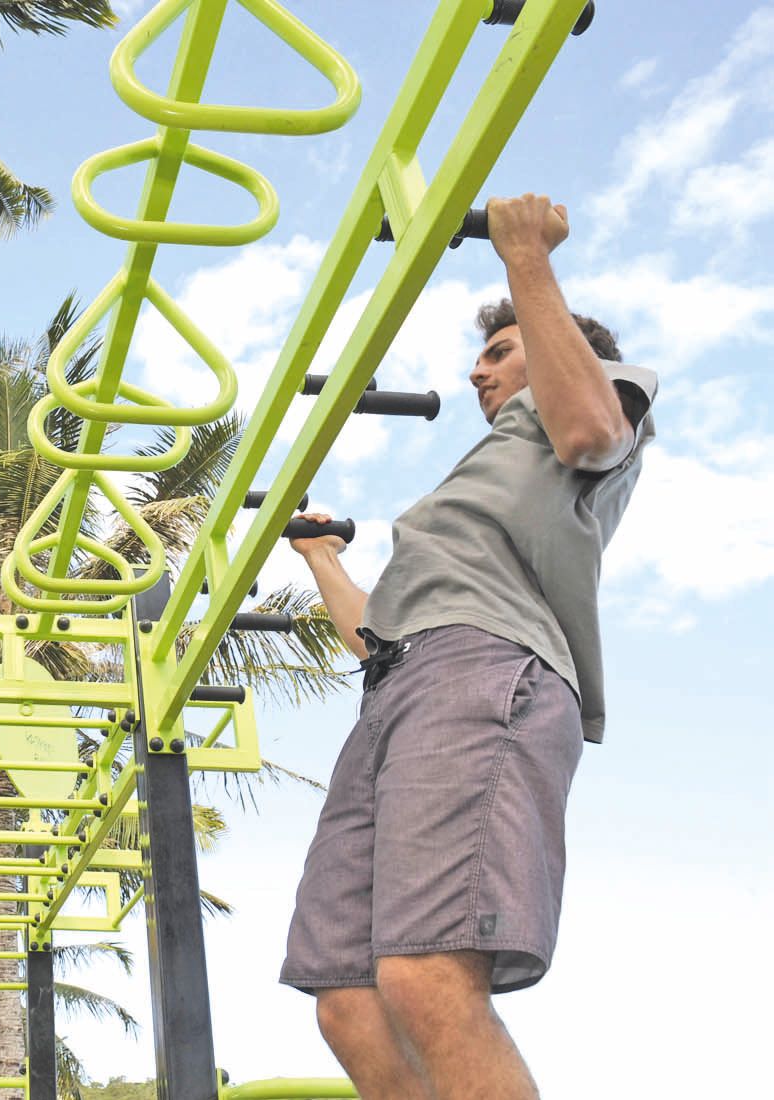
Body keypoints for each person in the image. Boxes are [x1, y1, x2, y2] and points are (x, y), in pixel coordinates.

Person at [279, 194, 658, 1099]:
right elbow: (374, 637)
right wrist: (322, 556)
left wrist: (524, 258)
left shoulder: (604, 395)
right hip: (399, 686)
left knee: (424, 972)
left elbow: (591, 429)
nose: (480, 375)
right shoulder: (473, 491)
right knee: (348, 997)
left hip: (486, 668)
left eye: (500, 352)